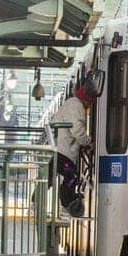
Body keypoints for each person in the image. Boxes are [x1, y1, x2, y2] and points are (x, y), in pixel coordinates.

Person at [51, 85, 95, 217]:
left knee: (51, 176)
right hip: (64, 151)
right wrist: (88, 142)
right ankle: (66, 204)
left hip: (60, 149)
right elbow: (76, 129)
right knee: (72, 176)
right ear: (87, 99)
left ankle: (35, 201)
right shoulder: (76, 107)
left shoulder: (72, 104)